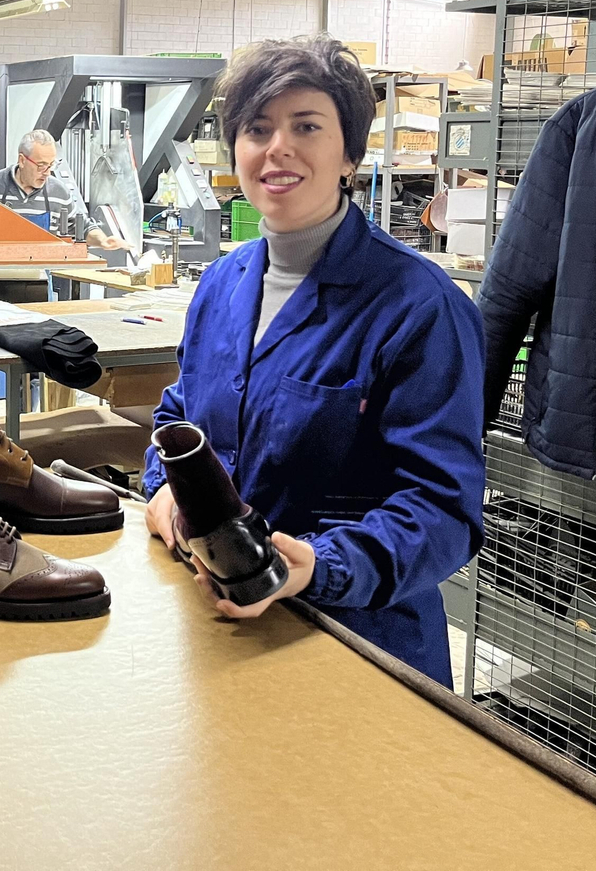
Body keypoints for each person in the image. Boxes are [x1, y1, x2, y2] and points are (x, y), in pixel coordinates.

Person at [142, 35, 484, 684]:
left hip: (357, 645)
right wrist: (163, 495)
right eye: (257, 128)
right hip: (222, 637)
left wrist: (317, 565)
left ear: (350, 154)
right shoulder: (221, 285)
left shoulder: (418, 307)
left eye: (306, 126)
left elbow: (443, 509)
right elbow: (178, 420)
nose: (278, 147)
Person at [0, 129, 127, 249]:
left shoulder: (59, 192)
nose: (47, 172)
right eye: (41, 165)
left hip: (41, 274)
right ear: (22, 160)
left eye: (51, 165)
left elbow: (82, 227)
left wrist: (103, 240)